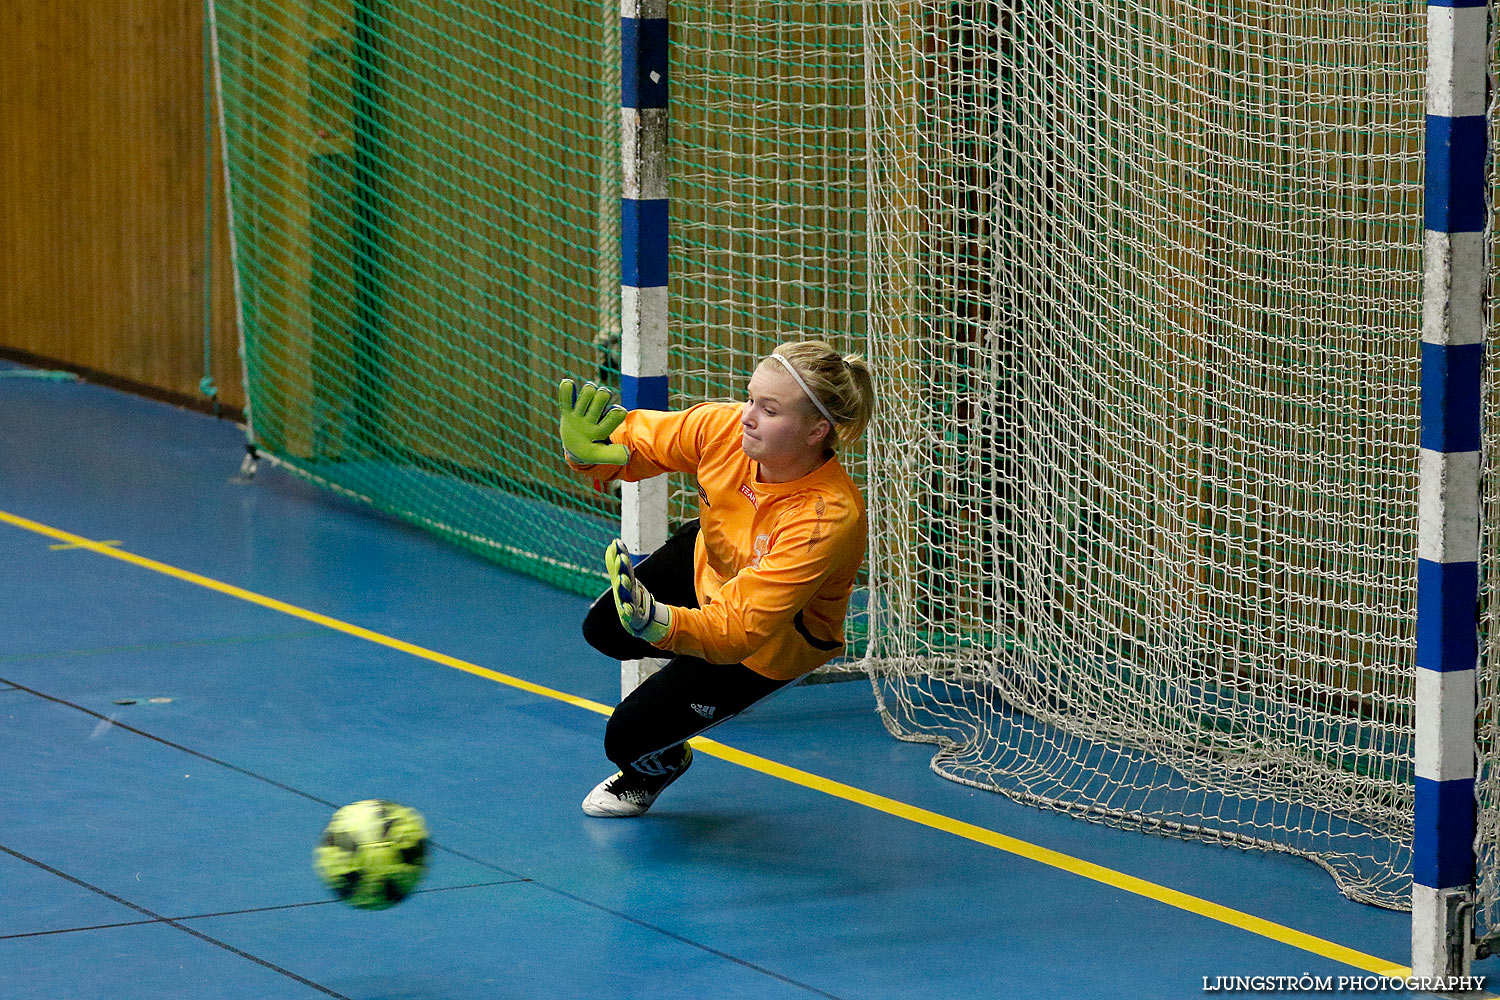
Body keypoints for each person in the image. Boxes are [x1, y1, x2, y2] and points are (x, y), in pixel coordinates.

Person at [555, 340, 874, 817]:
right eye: (750, 398)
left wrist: (663, 625)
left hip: (767, 642)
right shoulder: (726, 428)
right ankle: (682, 688)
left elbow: (740, 630)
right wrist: (586, 453)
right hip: (712, 558)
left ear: (816, 431)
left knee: (627, 736)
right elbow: (639, 441)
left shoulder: (825, 519)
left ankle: (656, 766)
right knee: (603, 628)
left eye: (769, 409)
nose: (747, 415)